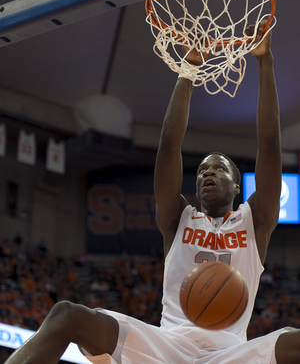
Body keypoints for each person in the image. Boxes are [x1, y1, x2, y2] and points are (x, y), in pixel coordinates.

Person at [4, 23, 299, 364]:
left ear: (237, 185)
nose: (208, 173)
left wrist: (265, 61)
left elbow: (271, 145)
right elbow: (169, 146)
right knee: (66, 315)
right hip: (167, 347)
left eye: (219, 168)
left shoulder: (256, 220)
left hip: (232, 353)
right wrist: (187, 71)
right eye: (202, 169)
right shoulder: (179, 217)